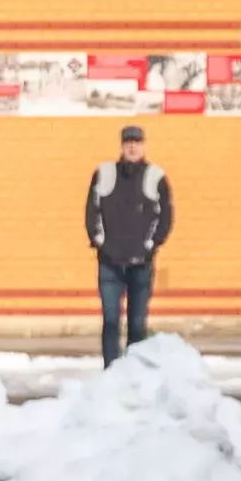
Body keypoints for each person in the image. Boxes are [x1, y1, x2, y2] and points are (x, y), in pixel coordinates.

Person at [85, 121, 175, 363]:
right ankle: (111, 374)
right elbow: (91, 211)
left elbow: (166, 215)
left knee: (137, 324)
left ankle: (134, 376)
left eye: (137, 143)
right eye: (128, 143)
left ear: (143, 147)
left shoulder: (155, 176)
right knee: (111, 322)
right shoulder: (104, 173)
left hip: (141, 263)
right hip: (110, 263)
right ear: (122, 146)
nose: (132, 148)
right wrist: (99, 241)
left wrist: (152, 244)